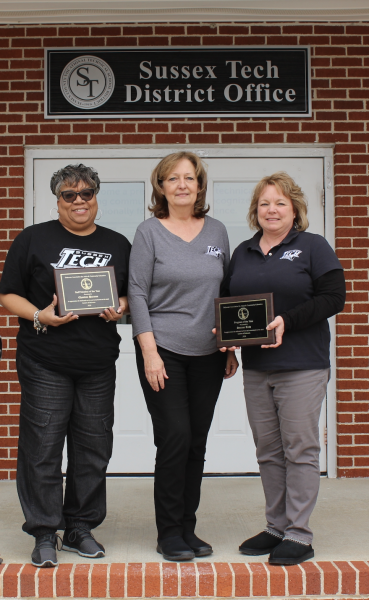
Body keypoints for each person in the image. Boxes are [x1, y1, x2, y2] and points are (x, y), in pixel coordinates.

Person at [0, 164, 131, 568]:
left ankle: (79, 527)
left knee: (93, 448)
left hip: (97, 362)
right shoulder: (33, 238)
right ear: (57, 200)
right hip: (45, 360)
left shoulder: (118, 243)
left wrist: (119, 309)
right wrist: (41, 315)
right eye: (69, 195)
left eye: (86, 194)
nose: (78, 202)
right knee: (42, 448)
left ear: (96, 197)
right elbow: (8, 294)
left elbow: (129, 297)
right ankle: (43, 531)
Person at [222, 172, 345, 566]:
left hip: (302, 365)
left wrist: (287, 321)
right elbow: (229, 304)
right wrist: (226, 340)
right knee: (269, 451)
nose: (271, 210)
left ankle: (299, 533)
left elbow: (334, 297)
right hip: (258, 366)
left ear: (295, 210)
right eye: (264, 203)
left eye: (280, 203)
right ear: (254, 211)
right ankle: (276, 526)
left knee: (300, 449)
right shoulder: (242, 252)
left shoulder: (312, 247)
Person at [128, 151, 239, 561]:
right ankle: (168, 531)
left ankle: (187, 527)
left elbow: (225, 291)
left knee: (196, 442)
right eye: (172, 178)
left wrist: (231, 345)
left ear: (199, 185)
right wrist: (149, 353)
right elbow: (137, 292)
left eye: (189, 178)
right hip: (164, 352)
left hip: (209, 354)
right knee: (174, 437)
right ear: (161, 186)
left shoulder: (217, 232)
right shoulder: (149, 232)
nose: (181, 185)